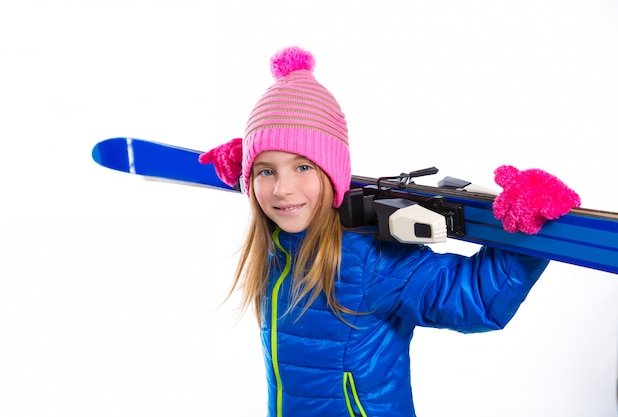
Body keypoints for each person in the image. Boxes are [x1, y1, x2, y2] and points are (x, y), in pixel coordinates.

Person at [200, 46, 580, 417]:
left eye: (303, 167)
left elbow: (475, 300)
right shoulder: (276, 243)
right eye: (266, 170)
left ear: (333, 173)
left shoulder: (368, 259)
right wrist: (244, 166)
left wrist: (525, 236)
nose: (282, 189)